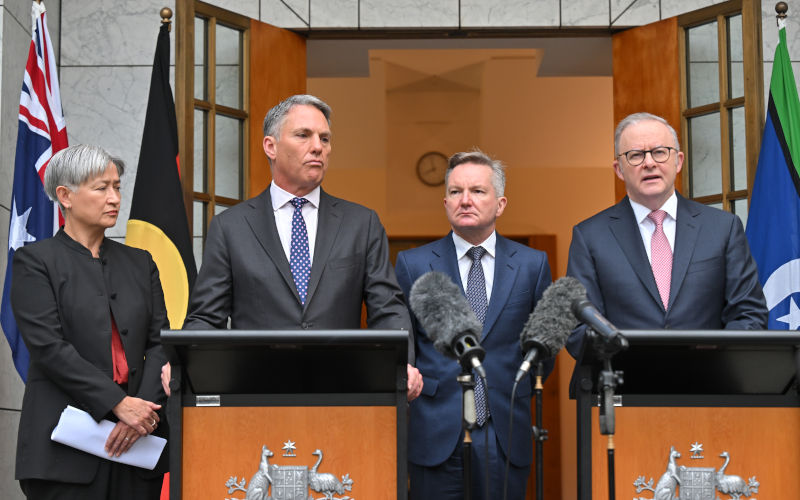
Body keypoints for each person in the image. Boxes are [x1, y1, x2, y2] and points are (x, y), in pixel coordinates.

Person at [183, 94, 422, 399]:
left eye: (325, 138)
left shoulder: (361, 223)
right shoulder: (231, 227)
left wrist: (402, 363)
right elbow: (206, 318)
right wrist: (182, 363)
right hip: (255, 397)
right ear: (271, 146)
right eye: (303, 135)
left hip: (344, 396)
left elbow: (388, 309)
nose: (318, 147)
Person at [11, 145, 169, 499]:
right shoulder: (34, 262)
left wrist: (142, 410)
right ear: (65, 196)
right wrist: (118, 403)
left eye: (117, 186)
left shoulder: (140, 262)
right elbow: (49, 348)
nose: (114, 198)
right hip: (63, 450)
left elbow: (161, 342)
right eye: (101, 188)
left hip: (138, 448)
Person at [395, 150, 552, 500]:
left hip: (504, 432)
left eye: (478, 191)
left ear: (500, 203)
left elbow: (544, 350)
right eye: (455, 192)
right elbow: (404, 343)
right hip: (435, 432)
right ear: (446, 201)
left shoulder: (532, 265)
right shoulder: (413, 264)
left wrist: (513, 388)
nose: (465, 200)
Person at [566, 112, 768, 357]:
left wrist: (716, 357)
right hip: (627, 386)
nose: (649, 163)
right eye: (636, 155)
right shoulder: (590, 236)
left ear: (679, 161)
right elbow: (577, 330)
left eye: (660, 152)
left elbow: (749, 314)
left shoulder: (723, 228)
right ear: (619, 169)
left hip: (708, 384)